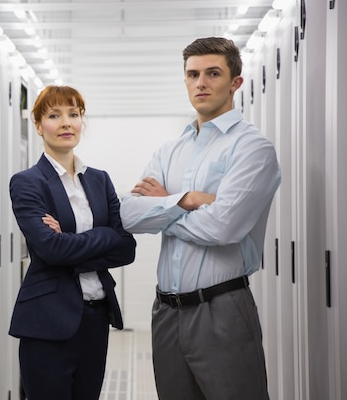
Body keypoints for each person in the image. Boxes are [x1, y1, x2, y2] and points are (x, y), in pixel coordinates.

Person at [120, 37, 281, 400]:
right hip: (166, 313)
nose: (201, 83)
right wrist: (189, 199)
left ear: (235, 82)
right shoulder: (169, 151)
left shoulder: (252, 148)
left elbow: (222, 227)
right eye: (192, 74)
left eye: (213, 73)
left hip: (221, 309)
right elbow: (129, 214)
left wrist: (163, 208)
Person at [8, 85, 136, 400]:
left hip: (95, 318)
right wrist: (102, 236)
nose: (66, 123)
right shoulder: (27, 183)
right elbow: (50, 249)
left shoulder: (99, 180)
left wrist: (70, 241)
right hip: (47, 321)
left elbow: (125, 247)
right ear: (38, 125)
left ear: (82, 121)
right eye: (54, 115)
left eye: (73, 114)